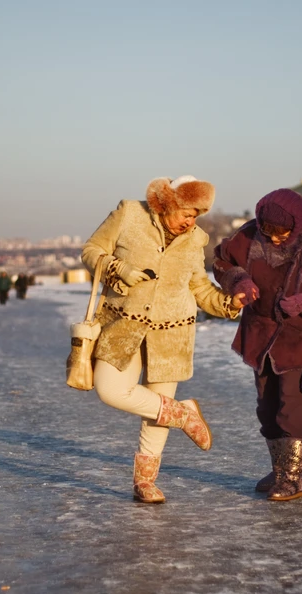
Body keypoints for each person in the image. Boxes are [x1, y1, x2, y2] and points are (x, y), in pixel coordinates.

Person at [80, 176, 246, 503]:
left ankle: (145, 482)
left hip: (172, 334)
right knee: (110, 389)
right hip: (123, 325)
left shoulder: (196, 239)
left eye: (197, 214)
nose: (191, 221)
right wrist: (118, 269)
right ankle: (183, 414)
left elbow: (198, 287)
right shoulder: (129, 214)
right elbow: (91, 250)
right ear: (167, 203)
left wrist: (229, 303)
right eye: (187, 212)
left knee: (154, 415)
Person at [213, 188, 302, 501]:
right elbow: (221, 262)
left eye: (282, 234)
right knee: (267, 405)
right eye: (268, 233)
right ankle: (278, 469)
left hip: (298, 338)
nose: (275, 240)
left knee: (291, 402)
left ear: (298, 225)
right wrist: (239, 281)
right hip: (259, 334)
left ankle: (293, 478)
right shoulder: (247, 236)